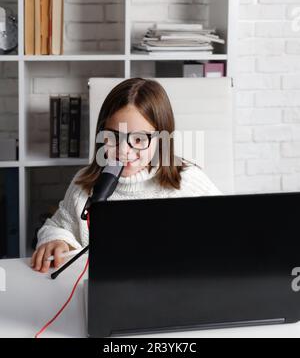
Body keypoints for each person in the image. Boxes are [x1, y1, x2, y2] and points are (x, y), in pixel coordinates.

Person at [31, 78, 222, 273]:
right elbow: (58, 226)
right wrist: (56, 239)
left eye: (139, 139)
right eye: (112, 137)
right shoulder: (86, 183)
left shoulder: (188, 182)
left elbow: (228, 230)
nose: (123, 150)